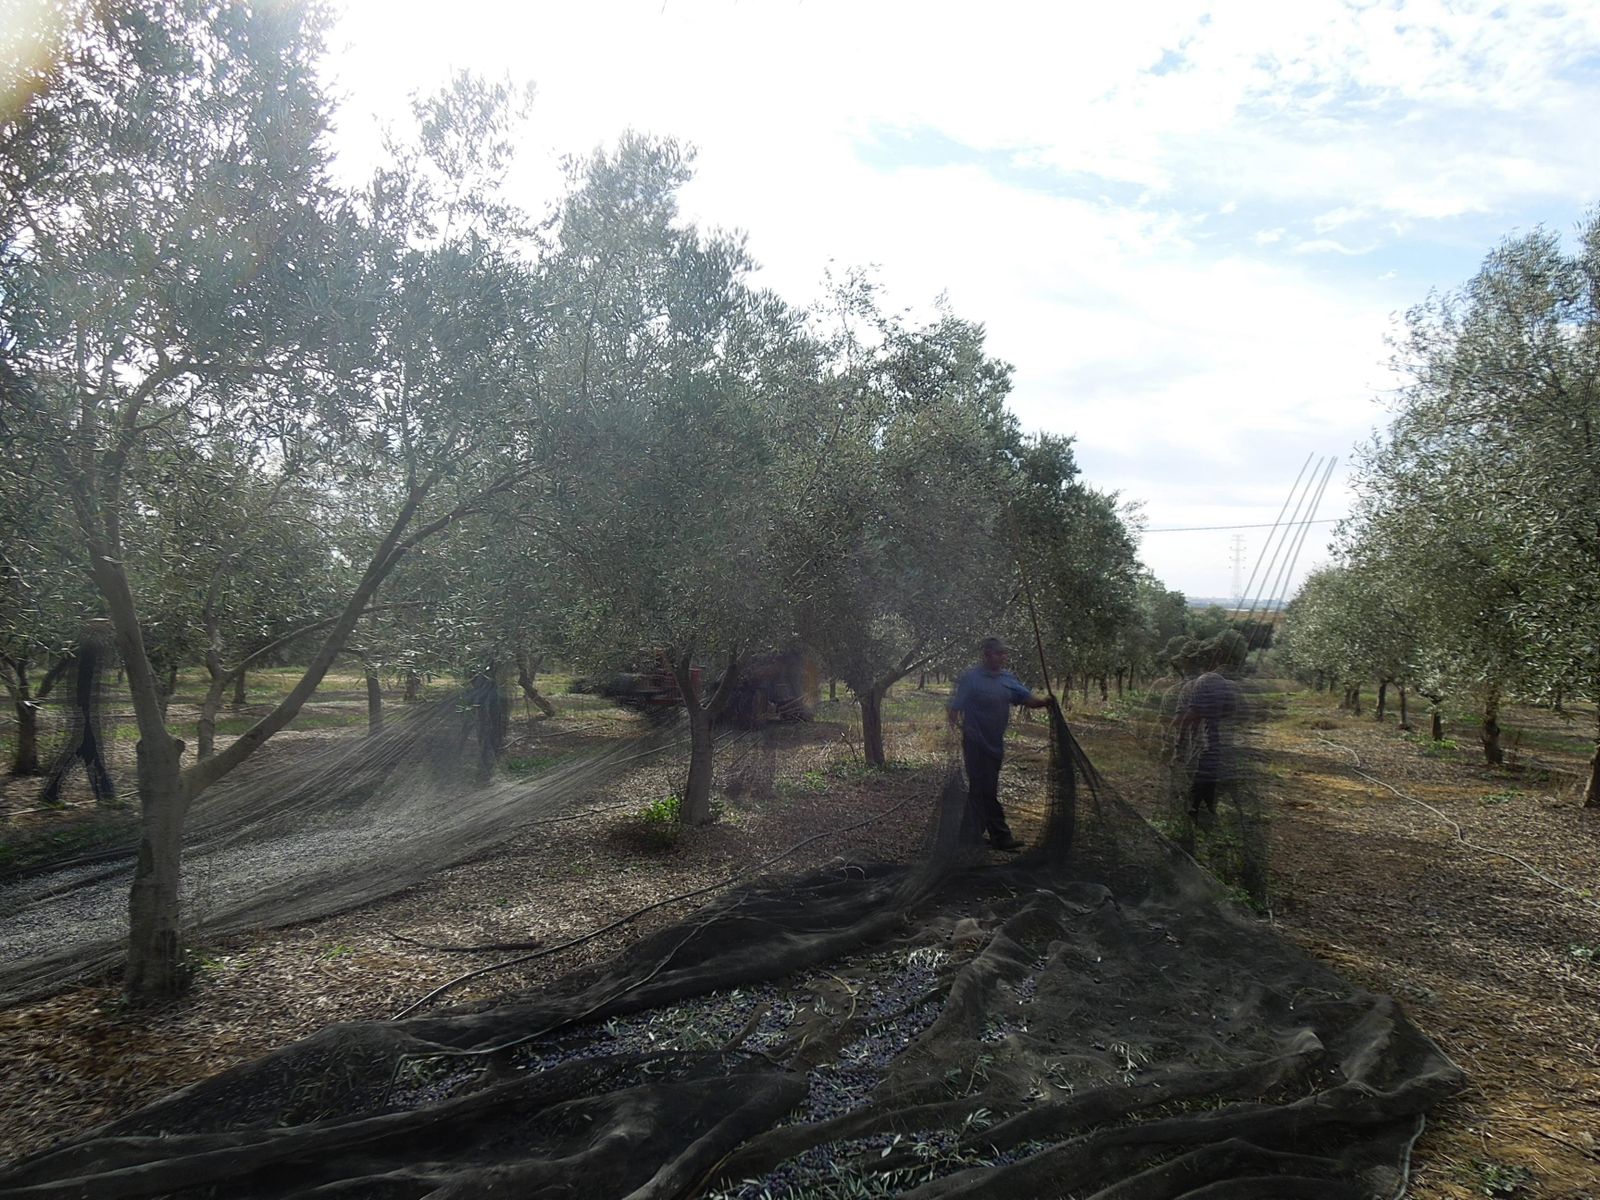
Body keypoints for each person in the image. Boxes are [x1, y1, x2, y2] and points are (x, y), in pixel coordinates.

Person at [947, 637, 1049, 850]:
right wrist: (956, 731)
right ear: (986, 655)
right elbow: (955, 707)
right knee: (985, 787)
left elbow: (1027, 699)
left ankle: (969, 835)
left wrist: (1046, 702)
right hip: (975, 743)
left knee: (980, 789)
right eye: (999, 653)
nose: (1004, 657)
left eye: (1005, 653)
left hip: (995, 743)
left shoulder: (1007, 679)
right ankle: (1000, 835)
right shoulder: (971, 678)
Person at [1174, 664, 1242, 816]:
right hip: (1217, 735)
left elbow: (1189, 716)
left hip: (1208, 736)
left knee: (1202, 763)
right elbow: (1231, 710)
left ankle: (1194, 804)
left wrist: (1179, 742)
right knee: (1211, 762)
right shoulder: (1222, 685)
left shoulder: (1202, 683)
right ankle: (1206, 802)